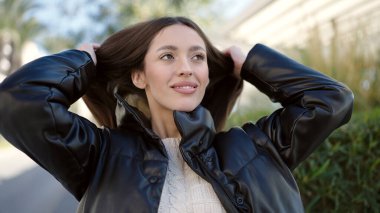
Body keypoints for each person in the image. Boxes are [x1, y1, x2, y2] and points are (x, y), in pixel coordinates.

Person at [0, 16, 353, 213]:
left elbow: (330, 100)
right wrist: (83, 61)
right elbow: (19, 103)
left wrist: (251, 64)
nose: (186, 68)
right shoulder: (100, 156)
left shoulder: (258, 147)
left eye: (198, 57)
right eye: (168, 56)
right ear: (139, 77)